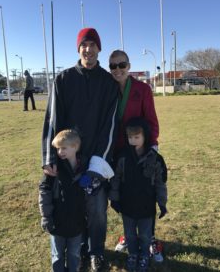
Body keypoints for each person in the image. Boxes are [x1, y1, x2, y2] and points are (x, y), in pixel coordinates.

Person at [42, 28, 119, 272]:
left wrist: (98, 164)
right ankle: (77, 248)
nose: (88, 49)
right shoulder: (63, 79)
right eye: (84, 44)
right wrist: (50, 157)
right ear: (78, 49)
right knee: (71, 205)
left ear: (99, 48)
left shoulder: (108, 83)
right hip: (68, 160)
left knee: (96, 207)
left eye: (93, 44)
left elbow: (111, 125)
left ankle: (95, 252)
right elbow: (52, 120)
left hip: (95, 160)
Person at [109, 50, 165, 261]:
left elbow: (151, 120)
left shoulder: (142, 89)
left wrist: (151, 148)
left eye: (121, 64)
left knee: (145, 194)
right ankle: (128, 235)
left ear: (129, 66)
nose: (117, 69)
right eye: (113, 66)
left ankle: (149, 238)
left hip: (140, 151)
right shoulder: (107, 88)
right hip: (117, 152)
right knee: (124, 194)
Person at [109, 117, 168, 272]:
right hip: (127, 205)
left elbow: (160, 183)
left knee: (145, 235)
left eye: (137, 137)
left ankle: (144, 255)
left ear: (145, 136)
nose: (133, 140)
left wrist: (162, 203)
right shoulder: (122, 157)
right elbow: (115, 179)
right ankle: (133, 254)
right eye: (130, 137)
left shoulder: (155, 159)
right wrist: (114, 199)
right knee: (130, 234)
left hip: (146, 206)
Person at [39, 129, 85, 272]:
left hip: (76, 223)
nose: (60, 152)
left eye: (63, 148)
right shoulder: (53, 170)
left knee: (74, 254)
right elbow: (44, 193)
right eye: (58, 148)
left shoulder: (84, 168)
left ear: (75, 147)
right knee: (57, 255)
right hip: (56, 222)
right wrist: (46, 217)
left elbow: (89, 195)